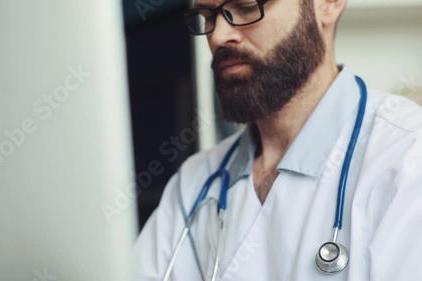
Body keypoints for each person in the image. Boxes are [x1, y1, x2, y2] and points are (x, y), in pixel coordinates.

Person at [135, 0, 422, 280]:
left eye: (246, 7)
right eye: (208, 16)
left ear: (329, 4)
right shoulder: (193, 185)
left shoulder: (407, 159)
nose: (218, 36)